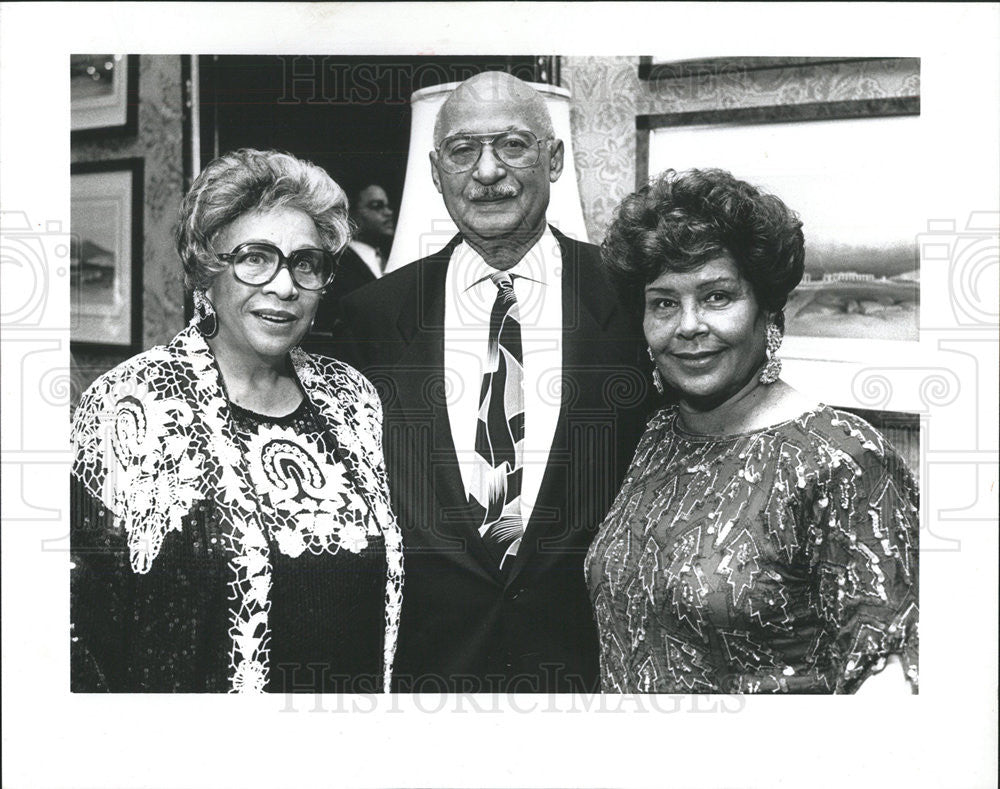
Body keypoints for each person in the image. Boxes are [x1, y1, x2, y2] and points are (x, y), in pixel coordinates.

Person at [331, 72, 651, 692]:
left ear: (553, 159)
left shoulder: (633, 299)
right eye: (462, 151)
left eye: (512, 145)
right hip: (427, 679)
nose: (486, 172)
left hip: (586, 677)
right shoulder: (372, 317)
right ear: (435, 170)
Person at [70, 149, 403, 693]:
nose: (284, 286)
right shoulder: (131, 404)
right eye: (256, 258)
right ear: (207, 271)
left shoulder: (353, 400)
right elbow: (80, 637)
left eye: (306, 263)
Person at [587, 168, 919, 693]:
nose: (689, 325)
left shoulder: (843, 460)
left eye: (717, 296)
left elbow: (887, 692)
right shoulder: (656, 438)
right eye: (664, 303)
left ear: (769, 309)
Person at [309, 183, 395, 339]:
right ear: (352, 214)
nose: (388, 213)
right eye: (377, 206)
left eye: (388, 206)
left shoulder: (390, 258)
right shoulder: (338, 263)